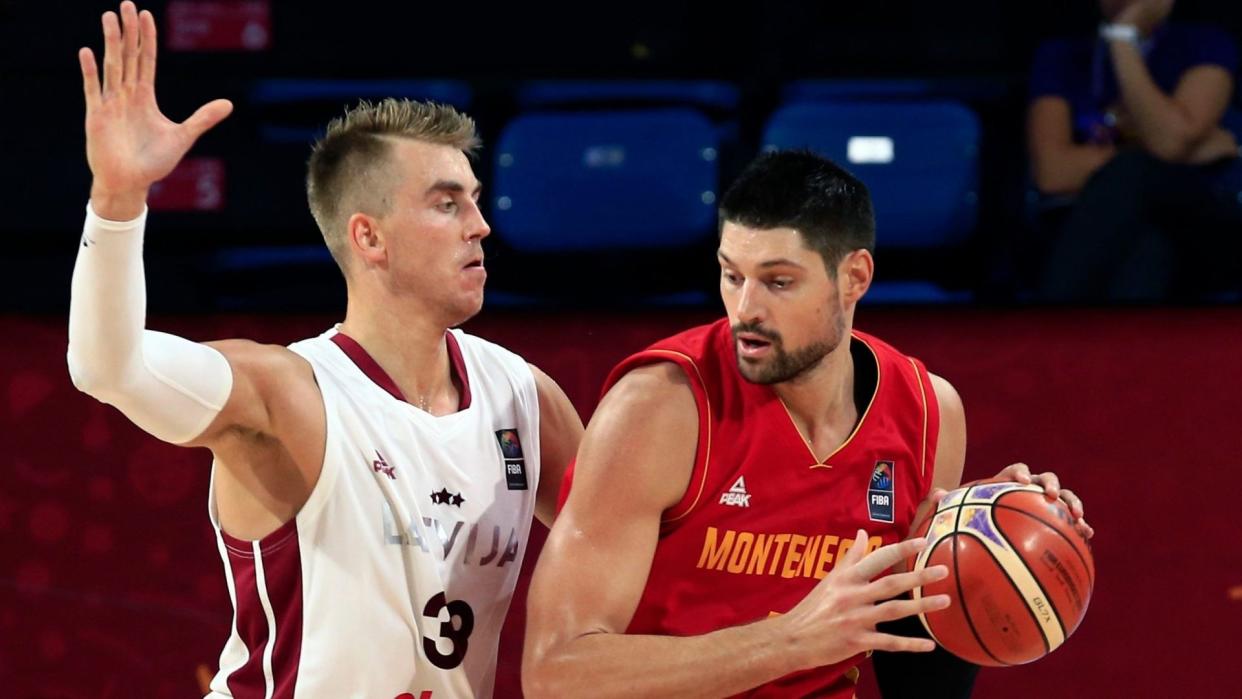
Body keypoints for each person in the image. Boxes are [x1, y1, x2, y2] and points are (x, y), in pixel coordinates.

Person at [66, 3, 583, 697]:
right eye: (447, 203)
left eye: (476, 200)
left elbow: (635, 549)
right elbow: (108, 368)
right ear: (369, 237)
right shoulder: (288, 394)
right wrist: (119, 199)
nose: (482, 226)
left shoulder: (521, 395)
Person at [522, 150, 1094, 698]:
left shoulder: (927, 414)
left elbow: (910, 660)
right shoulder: (662, 407)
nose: (745, 308)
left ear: (854, 277)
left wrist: (965, 545)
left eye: (777, 282)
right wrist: (791, 642)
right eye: (731, 275)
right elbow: (557, 674)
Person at [1027, 0, 1241, 301]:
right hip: (1089, 226)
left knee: (1137, 175)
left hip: (1200, 223)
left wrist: (1122, 39)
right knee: (1149, 245)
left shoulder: (1204, 44)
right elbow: (1053, 174)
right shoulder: (1061, 56)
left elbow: (1171, 142)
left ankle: (1049, 326)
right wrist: (1165, 147)